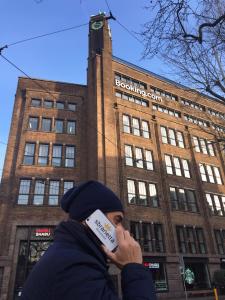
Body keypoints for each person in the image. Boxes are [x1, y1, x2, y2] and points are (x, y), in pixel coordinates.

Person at [21, 180, 156, 300]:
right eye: (117, 220)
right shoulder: (74, 268)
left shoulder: (73, 256)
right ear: (94, 219)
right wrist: (134, 268)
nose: (122, 230)